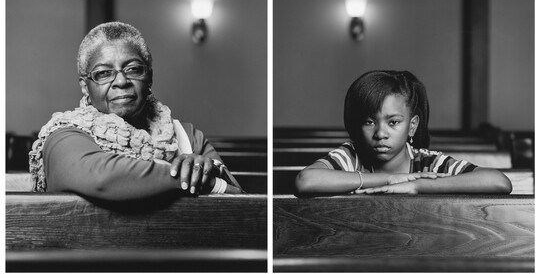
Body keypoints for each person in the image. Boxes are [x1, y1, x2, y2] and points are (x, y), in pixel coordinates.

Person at [29, 21, 242, 200]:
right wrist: (199, 180)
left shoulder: (186, 136)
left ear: (149, 77)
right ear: (86, 86)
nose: (121, 81)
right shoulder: (65, 134)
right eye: (104, 73)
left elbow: (237, 196)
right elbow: (100, 178)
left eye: (133, 69)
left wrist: (208, 172)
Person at [295, 70, 512, 195]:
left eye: (393, 122)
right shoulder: (351, 155)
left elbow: (499, 181)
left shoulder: (428, 163)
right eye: (369, 122)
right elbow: (306, 180)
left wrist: (416, 185)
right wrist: (389, 179)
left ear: (412, 125)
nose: (381, 132)